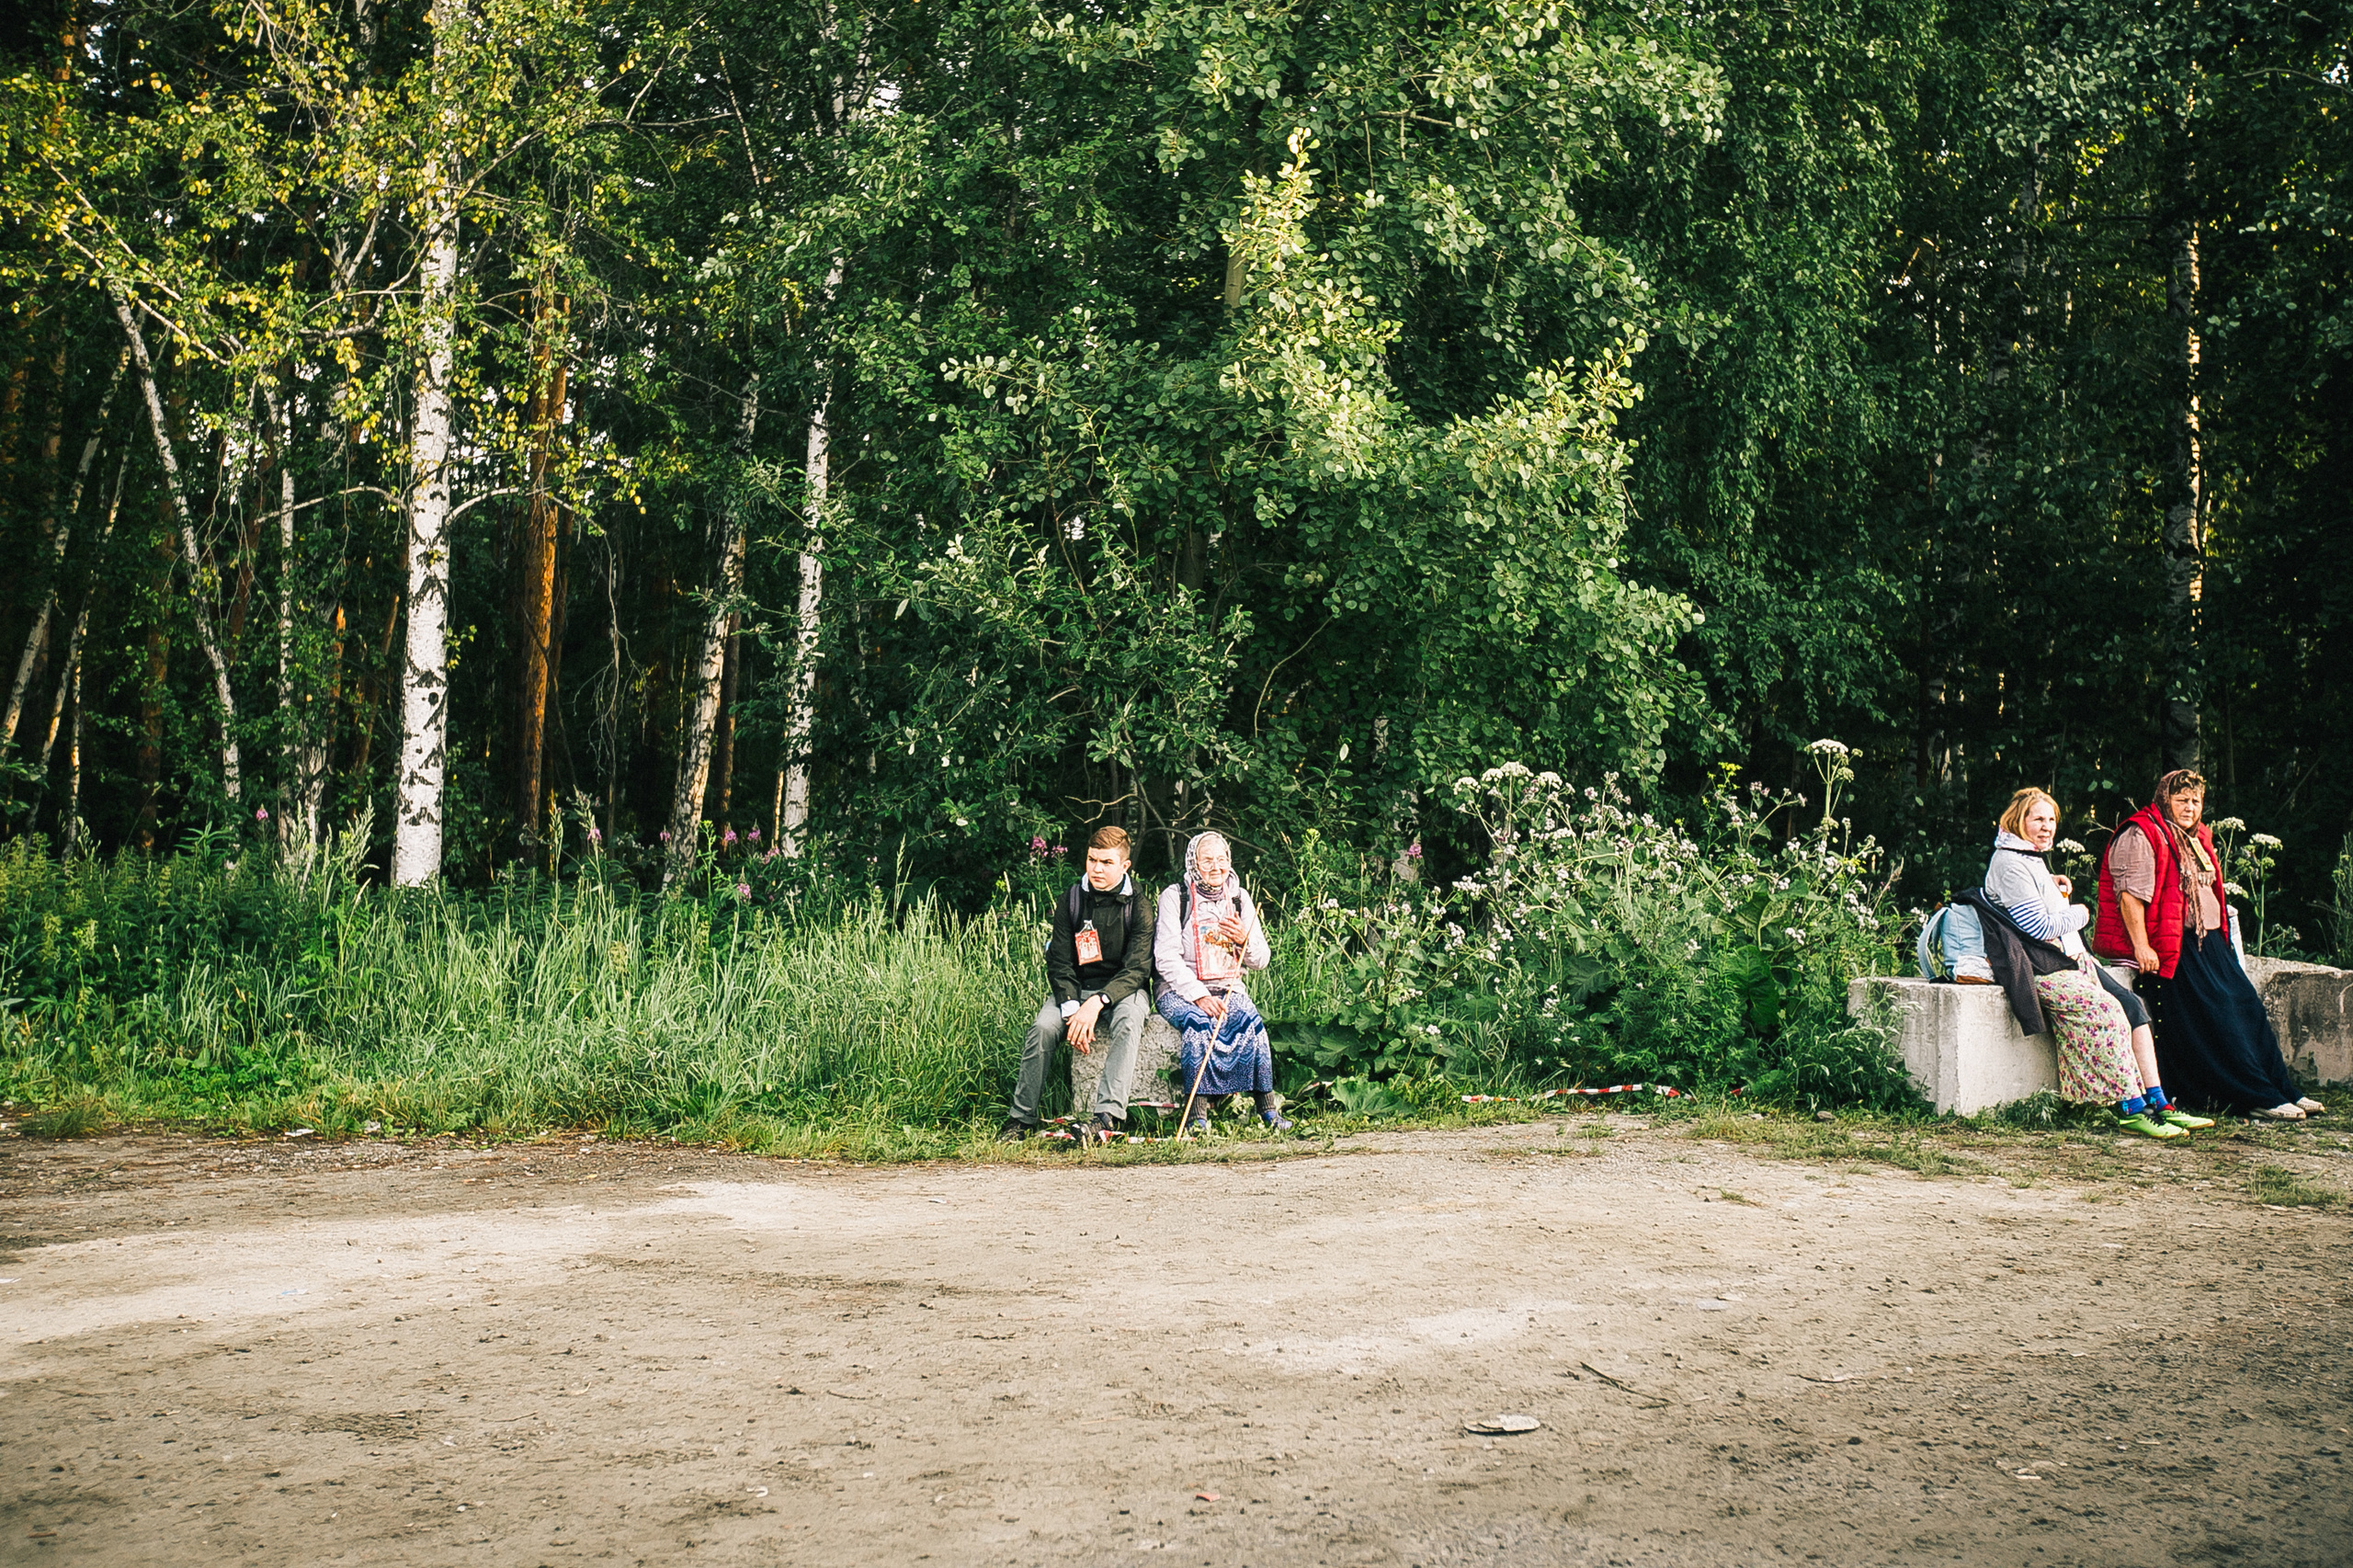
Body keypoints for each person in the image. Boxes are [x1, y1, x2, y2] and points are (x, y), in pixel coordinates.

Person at [1968, 787, 2210, 1138]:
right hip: (2043, 965)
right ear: (2018, 821)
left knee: (2133, 1008)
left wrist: (2051, 886)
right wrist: (2081, 913)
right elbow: (2038, 927)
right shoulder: (2010, 863)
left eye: (2051, 820)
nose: (2047, 827)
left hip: (2071, 957)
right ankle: (2131, 1109)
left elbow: (2030, 901)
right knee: (2107, 1011)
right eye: (2038, 819)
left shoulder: (2027, 856)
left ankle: (2159, 1103)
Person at [2094, 769, 2321, 1121]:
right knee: (2220, 1017)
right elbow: (2130, 897)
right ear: (2164, 799)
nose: (2189, 807)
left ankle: (2281, 1088)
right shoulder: (2142, 833)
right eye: (2181, 799)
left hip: (2209, 941)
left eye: (2195, 801)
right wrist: (2142, 946)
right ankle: (2253, 1096)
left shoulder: (2197, 836)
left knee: (2248, 1008)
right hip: (2172, 944)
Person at [1000, 825, 1154, 1145]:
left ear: (1124, 865)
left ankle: (1106, 1116)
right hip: (1076, 988)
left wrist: (1098, 1002)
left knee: (1129, 1021)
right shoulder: (1071, 899)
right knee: (1043, 1028)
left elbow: (1138, 968)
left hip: (1123, 989)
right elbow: (1059, 961)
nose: (1097, 869)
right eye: (1092, 860)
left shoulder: (1139, 904)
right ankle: (1020, 1118)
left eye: (1106, 862)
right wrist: (1072, 1010)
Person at [1154, 831, 1287, 1133]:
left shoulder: (1239, 897)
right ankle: (1197, 1116)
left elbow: (1261, 960)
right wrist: (1199, 995)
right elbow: (1165, 957)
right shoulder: (1176, 896)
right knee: (1199, 1024)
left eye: (1222, 859)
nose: (1216, 867)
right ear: (1193, 863)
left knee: (1251, 1023)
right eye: (1207, 860)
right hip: (1178, 990)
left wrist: (1244, 940)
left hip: (1227, 985)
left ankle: (1267, 1110)